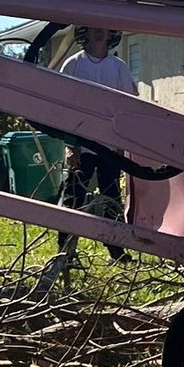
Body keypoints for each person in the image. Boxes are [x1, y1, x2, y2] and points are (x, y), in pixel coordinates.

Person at [57, 25, 134, 264]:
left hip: (109, 145)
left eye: (105, 29)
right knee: (74, 197)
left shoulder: (119, 68)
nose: (101, 33)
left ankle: (116, 251)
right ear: (85, 33)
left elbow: (128, 106)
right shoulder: (74, 65)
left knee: (111, 197)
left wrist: (122, 144)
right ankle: (65, 251)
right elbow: (64, 107)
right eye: (95, 29)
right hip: (82, 144)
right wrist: (71, 145)